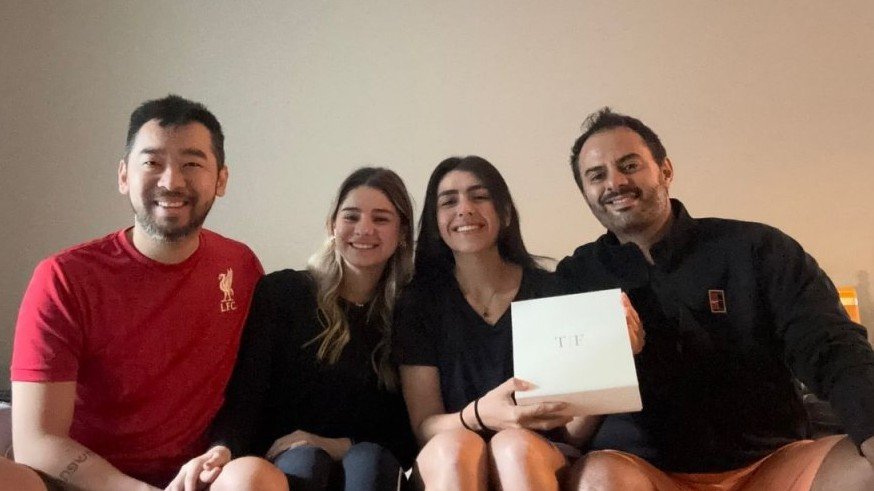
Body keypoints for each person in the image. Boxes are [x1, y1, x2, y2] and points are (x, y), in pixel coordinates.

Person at [559, 107, 874, 490]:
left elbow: (832, 349)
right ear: (585, 193)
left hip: (774, 464)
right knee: (597, 480)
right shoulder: (576, 276)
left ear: (665, 171)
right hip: (642, 471)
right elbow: (568, 416)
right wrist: (612, 358)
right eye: (597, 175)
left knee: (865, 469)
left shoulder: (757, 248)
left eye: (630, 165)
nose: (615, 182)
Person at [10, 95, 287, 491]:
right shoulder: (64, 278)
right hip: (86, 481)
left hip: (193, 479)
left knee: (254, 479)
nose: (171, 182)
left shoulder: (239, 266)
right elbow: (37, 441)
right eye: (152, 163)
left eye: (192, 164)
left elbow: (252, 390)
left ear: (221, 180)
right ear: (124, 175)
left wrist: (223, 450)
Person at [393, 156, 644, 491]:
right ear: (436, 221)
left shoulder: (552, 290)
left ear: (506, 213)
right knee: (456, 447)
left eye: (479, 196)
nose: (465, 209)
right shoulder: (418, 303)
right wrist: (479, 415)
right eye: (449, 201)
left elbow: (572, 433)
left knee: (513, 446)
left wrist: (614, 356)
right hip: (447, 451)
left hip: (537, 453)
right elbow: (425, 426)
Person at [210, 167, 417, 490]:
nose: (364, 229)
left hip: (370, 462)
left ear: (402, 232)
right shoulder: (283, 293)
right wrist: (222, 449)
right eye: (351, 216)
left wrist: (336, 444)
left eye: (380, 219)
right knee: (307, 459)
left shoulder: (409, 312)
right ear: (332, 225)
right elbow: (247, 395)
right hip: (288, 461)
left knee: (369, 461)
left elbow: (407, 431)